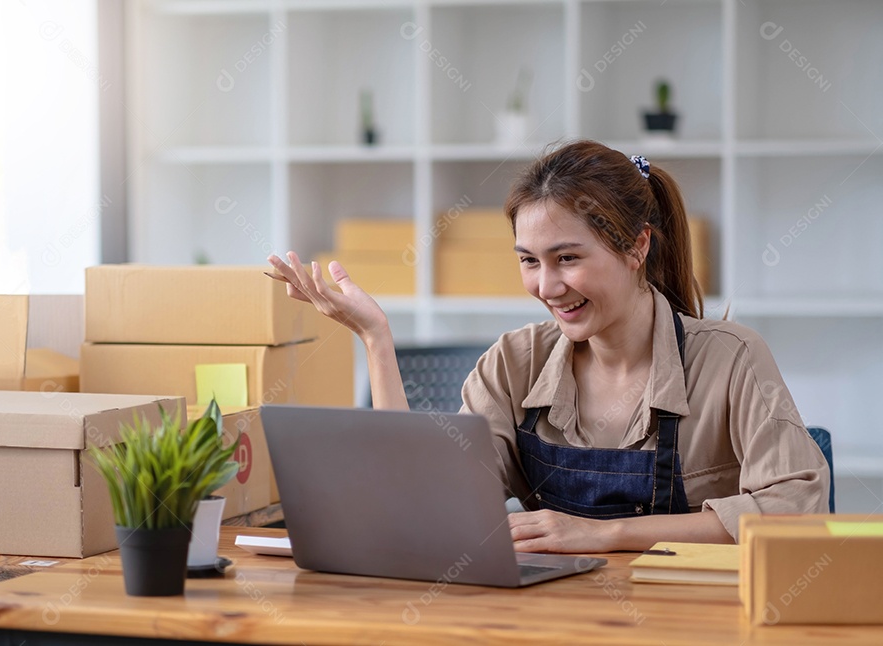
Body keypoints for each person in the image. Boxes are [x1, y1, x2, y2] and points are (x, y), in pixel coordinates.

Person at [265, 140, 830, 554]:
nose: (547, 286)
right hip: (549, 623)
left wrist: (608, 535)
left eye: (568, 258)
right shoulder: (513, 364)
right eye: (529, 262)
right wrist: (375, 339)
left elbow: (794, 514)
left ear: (636, 247)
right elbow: (425, 509)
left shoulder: (731, 359)